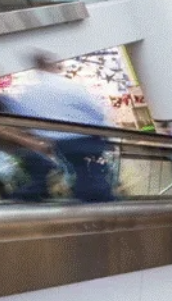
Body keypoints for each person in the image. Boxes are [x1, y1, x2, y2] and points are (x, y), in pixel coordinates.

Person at [10, 52, 115, 202]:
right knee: (93, 173)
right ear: (52, 65)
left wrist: (42, 136)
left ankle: (89, 202)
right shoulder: (68, 85)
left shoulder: (30, 92)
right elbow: (95, 110)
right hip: (86, 137)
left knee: (81, 172)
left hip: (59, 143)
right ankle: (101, 206)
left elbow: (26, 119)